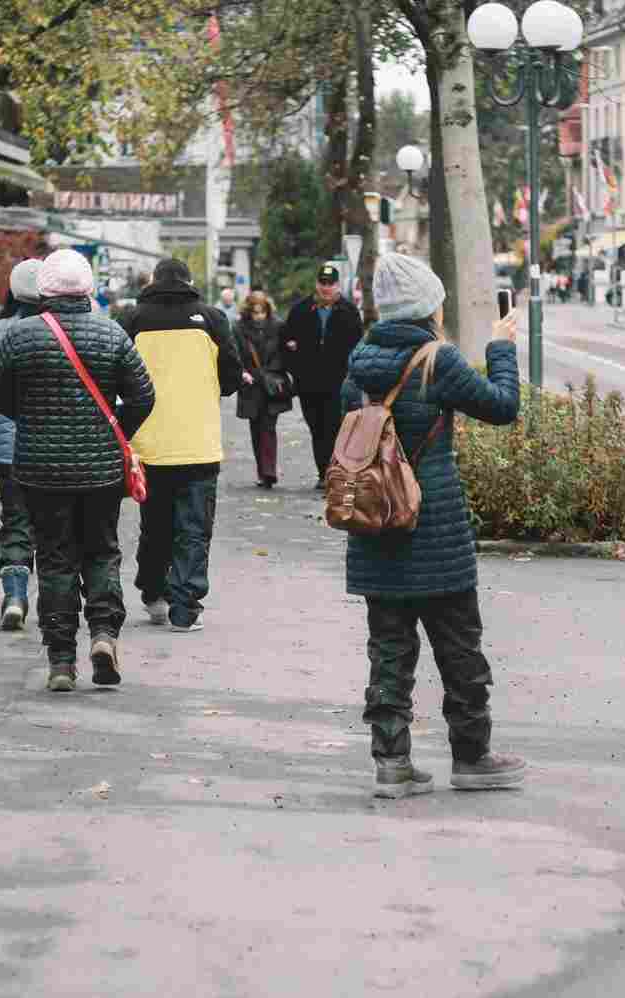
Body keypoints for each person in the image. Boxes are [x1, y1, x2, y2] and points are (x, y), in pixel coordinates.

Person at [341, 253, 527, 799]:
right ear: (428, 307)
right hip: (435, 529)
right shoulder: (434, 359)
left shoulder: (359, 360)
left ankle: (392, 764)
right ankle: (472, 758)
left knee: (389, 653)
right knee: (460, 649)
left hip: (375, 524)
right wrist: (501, 348)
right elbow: (502, 406)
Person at [0, 249, 155, 692]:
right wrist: (115, 428)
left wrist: (32, 420)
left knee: (56, 558)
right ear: (88, 290)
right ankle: (103, 635)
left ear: (44, 290)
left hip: (39, 469)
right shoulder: (112, 333)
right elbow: (143, 395)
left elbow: (0, 394)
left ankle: (61, 659)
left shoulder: (21, 336)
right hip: (101, 469)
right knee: (101, 550)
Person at [121, 258, 241, 633]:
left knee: (154, 523)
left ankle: (153, 593)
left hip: (148, 443)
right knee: (194, 526)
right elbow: (232, 378)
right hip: (198, 442)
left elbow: (117, 374)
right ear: (189, 282)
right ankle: (184, 608)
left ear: (153, 281)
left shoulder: (133, 320)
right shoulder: (213, 320)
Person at [0, 258, 43, 629]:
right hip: (55, 445)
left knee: (16, 520)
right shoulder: (63, 327)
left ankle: (15, 595)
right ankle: (55, 603)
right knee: (55, 526)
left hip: (8, 445)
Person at [280, 263, 363, 489]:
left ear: (337, 285)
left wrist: (352, 375)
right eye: (323, 283)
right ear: (317, 284)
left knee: (334, 426)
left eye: (331, 284)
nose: (326, 288)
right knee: (316, 427)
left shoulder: (348, 311)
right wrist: (295, 367)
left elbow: (358, 345)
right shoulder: (301, 310)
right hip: (308, 382)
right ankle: (323, 472)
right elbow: (285, 341)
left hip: (338, 382)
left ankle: (333, 473)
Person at [234, 290, 291, 488]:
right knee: (255, 428)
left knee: (268, 427)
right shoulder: (239, 328)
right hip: (250, 385)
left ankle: (269, 471)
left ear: (267, 310)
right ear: (248, 312)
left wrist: (276, 371)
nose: (259, 316)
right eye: (255, 312)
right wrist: (242, 372)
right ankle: (262, 470)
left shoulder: (278, 326)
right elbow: (235, 353)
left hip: (271, 383)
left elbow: (284, 352)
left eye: (262, 312)